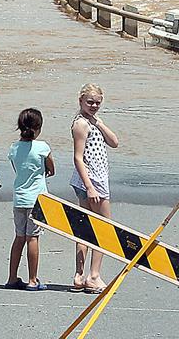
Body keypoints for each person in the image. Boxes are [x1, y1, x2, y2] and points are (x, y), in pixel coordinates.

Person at [70, 83, 119, 293]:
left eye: (98, 102)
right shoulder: (81, 124)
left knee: (86, 227)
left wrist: (99, 122)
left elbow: (114, 142)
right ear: (80, 100)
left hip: (92, 180)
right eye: (90, 102)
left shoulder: (94, 121)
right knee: (103, 228)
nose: (94, 105)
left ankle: (80, 275)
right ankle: (93, 276)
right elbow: (78, 158)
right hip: (92, 181)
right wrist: (90, 187)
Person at [6, 108, 54, 290]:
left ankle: (12, 277)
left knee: (19, 237)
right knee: (32, 238)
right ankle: (33, 279)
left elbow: (17, 169)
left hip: (19, 198)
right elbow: (51, 169)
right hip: (37, 200)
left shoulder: (14, 148)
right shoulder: (42, 147)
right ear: (38, 127)